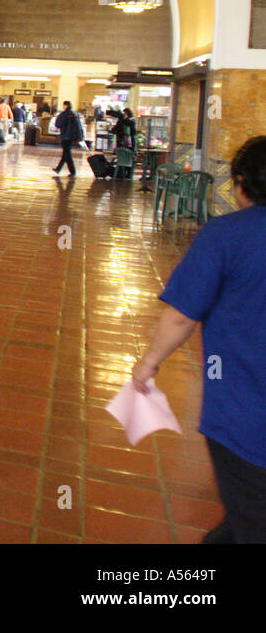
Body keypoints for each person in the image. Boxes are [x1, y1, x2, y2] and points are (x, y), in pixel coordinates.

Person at [132, 136, 266, 542]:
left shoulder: (226, 235)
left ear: (239, 185)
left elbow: (182, 315)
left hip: (244, 417)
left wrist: (149, 362)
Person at [53, 100, 83, 175]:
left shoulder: (64, 114)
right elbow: (79, 126)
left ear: (65, 106)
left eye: (63, 105)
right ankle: (58, 169)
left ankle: (73, 172)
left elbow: (58, 124)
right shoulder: (75, 114)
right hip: (72, 136)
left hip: (65, 136)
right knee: (65, 153)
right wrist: (80, 136)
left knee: (67, 154)